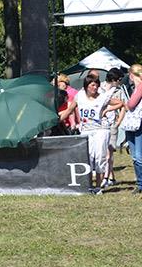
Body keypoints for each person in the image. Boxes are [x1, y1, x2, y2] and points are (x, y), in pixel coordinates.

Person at [60, 74, 123, 193]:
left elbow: (120, 103)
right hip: (86, 131)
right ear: (86, 86)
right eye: (92, 85)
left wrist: (107, 110)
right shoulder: (80, 96)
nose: (95, 87)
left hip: (100, 130)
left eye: (97, 85)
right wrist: (57, 120)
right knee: (87, 157)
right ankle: (89, 185)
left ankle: (98, 187)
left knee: (99, 157)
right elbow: (69, 110)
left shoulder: (103, 97)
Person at [121, 64, 142, 193]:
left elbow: (131, 104)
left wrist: (125, 104)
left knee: (138, 155)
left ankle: (141, 184)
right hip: (133, 124)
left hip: (138, 124)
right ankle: (140, 184)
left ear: (131, 75)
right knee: (135, 155)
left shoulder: (139, 87)